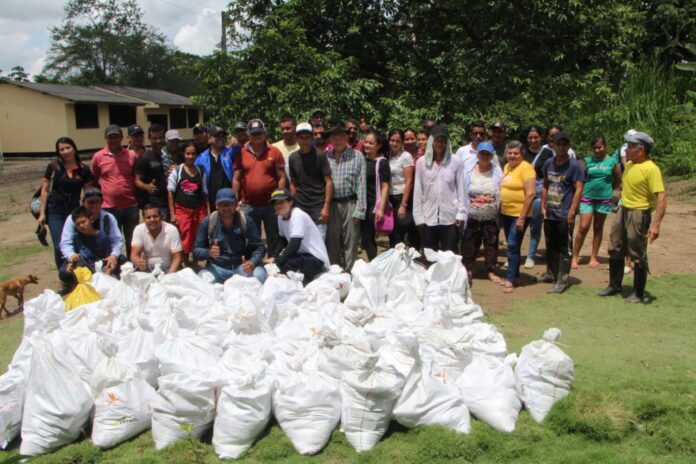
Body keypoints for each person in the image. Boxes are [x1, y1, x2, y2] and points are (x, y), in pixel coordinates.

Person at [600, 131, 666, 303]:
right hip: (623, 209)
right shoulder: (629, 165)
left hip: (639, 212)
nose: (626, 150)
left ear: (641, 149)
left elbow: (661, 196)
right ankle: (614, 285)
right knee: (615, 246)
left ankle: (638, 292)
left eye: (629, 147)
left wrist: (656, 224)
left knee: (637, 252)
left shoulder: (651, 169)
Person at [37, 136, 94, 270]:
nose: (65, 151)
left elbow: (88, 193)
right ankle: (64, 275)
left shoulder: (83, 169)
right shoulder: (53, 166)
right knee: (59, 245)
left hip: (74, 210)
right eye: (61, 149)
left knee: (74, 242)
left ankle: (77, 273)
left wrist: (88, 212)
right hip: (55, 209)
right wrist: (41, 214)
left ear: (74, 148)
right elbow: (44, 190)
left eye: (68, 147)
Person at [540, 132, 585, 293]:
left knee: (564, 247)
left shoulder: (574, 166)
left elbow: (579, 189)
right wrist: (543, 206)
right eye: (558, 144)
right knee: (550, 245)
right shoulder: (548, 163)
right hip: (550, 212)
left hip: (564, 213)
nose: (561, 147)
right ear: (553, 145)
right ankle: (551, 273)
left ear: (568, 146)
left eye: (564, 144)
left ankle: (562, 280)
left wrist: (572, 211)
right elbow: (545, 184)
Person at [234, 119, 286, 257]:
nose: (256, 135)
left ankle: (273, 264)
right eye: (253, 133)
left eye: (259, 132)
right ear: (248, 135)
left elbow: (281, 177)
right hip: (249, 205)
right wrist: (235, 201)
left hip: (271, 205)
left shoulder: (275, 152)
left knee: (274, 237)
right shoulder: (241, 153)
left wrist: (280, 200)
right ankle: (256, 264)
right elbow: (236, 179)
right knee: (252, 238)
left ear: (265, 133)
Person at [193, 188, 266, 283]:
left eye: (230, 204)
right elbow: (196, 250)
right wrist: (209, 252)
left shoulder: (245, 220)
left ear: (236, 205)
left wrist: (252, 262)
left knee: (259, 275)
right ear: (216, 205)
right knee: (201, 280)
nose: (226, 208)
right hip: (217, 268)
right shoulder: (208, 222)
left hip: (241, 267)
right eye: (222, 204)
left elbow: (259, 247)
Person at [571, 135, 621, 269]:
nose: (598, 150)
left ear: (605, 146)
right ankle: (575, 257)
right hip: (587, 198)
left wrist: (610, 189)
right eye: (595, 148)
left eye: (600, 147)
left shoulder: (612, 161)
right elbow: (580, 179)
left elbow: (617, 178)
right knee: (583, 227)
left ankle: (594, 257)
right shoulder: (587, 161)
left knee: (598, 227)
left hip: (604, 199)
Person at [413, 125, 465, 253]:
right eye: (437, 140)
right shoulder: (422, 162)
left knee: (450, 256)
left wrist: (461, 213)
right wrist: (418, 216)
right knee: (430, 256)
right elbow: (418, 191)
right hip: (428, 217)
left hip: (450, 217)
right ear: (431, 141)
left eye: (443, 140)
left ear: (447, 142)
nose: (440, 143)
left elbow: (461, 189)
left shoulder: (455, 161)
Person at [59, 192, 124, 292]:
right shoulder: (73, 218)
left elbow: (117, 241)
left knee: (123, 263)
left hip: (104, 256)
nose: (93, 205)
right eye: (90, 202)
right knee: (65, 272)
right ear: (84, 202)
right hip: (83, 259)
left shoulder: (108, 218)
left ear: (102, 202)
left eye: (96, 202)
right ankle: (73, 287)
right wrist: (71, 257)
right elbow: (65, 243)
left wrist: (113, 256)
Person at [90, 124, 139, 257]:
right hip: (109, 207)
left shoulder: (131, 155)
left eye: (116, 137)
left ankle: (132, 265)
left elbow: (137, 177)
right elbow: (93, 179)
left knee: (132, 240)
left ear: (122, 138)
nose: (113, 140)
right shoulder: (98, 156)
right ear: (106, 138)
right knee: (111, 239)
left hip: (130, 205)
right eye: (110, 137)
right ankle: (113, 266)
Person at [264, 188, 331, 284]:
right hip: (302, 255)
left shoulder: (298, 215)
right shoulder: (280, 216)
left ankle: (304, 286)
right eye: (275, 203)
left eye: (281, 202)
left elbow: (294, 245)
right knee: (280, 265)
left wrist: (276, 263)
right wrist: (274, 257)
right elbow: (282, 241)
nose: (278, 206)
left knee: (286, 265)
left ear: (290, 202)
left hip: (317, 258)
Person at [460, 141, 503, 283]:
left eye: (487, 154)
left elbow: (501, 190)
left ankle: (490, 271)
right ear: (477, 155)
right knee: (469, 243)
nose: (485, 156)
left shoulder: (497, 170)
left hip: (491, 216)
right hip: (471, 215)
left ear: (492, 156)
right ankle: (467, 269)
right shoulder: (468, 170)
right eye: (482, 153)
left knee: (491, 244)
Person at [325, 123, 366, 271]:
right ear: (330, 139)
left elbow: (361, 183)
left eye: (341, 136)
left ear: (347, 137)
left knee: (351, 242)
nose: (338, 140)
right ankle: (334, 273)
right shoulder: (326, 157)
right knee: (332, 241)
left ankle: (350, 273)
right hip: (332, 205)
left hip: (350, 203)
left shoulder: (357, 155)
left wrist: (360, 210)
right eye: (334, 137)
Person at [499, 141, 536, 292]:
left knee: (513, 245)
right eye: (510, 153)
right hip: (506, 213)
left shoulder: (526, 168)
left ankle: (510, 279)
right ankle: (516, 275)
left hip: (519, 214)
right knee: (513, 244)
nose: (512, 156)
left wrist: (522, 217)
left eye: (516, 153)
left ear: (522, 155)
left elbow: (531, 193)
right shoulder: (507, 167)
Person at [288, 122, 333, 239]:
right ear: (296, 138)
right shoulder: (292, 158)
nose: (304, 140)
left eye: (307, 137)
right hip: (300, 206)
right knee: (301, 241)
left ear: (312, 137)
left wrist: (326, 207)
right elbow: (293, 183)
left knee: (319, 243)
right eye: (301, 137)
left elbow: (328, 182)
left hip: (318, 207)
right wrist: (291, 205)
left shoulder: (320, 155)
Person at [168, 142, 210, 266]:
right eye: (188, 154)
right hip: (182, 210)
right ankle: (186, 263)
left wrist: (208, 212)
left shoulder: (200, 171)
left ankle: (196, 263)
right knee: (185, 238)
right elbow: (170, 192)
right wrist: (172, 214)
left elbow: (205, 192)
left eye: (193, 154)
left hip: (199, 210)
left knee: (199, 237)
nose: (190, 156)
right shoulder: (177, 171)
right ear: (183, 154)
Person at [361, 130, 391, 260]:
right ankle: (374, 264)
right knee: (365, 237)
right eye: (365, 142)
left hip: (374, 204)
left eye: (370, 143)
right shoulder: (362, 160)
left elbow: (385, 187)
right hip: (362, 203)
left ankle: (375, 264)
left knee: (368, 237)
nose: (366, 145)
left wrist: (381, 209)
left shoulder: (382, 162)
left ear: (378, 145)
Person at [387, 129, 419, 250]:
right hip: (390, 198)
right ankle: (396, 264)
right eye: (392, 140)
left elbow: (409, 181)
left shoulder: (405, 156)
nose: (394, 144)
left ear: (402, 143)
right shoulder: (387, 155)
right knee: (393, 234)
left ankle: (412, 262)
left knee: (405, 231)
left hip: (402, 197)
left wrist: (403, 205)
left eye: (398, 141)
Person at [130, 205, 183, 274]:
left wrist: (169, 276)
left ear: (161, 217)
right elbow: (133, 255)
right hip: (146, 271)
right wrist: (139, 263)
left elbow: (177, 258)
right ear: (144, 219)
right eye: (148, 217)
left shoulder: (171, 230)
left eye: (155, 216)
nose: (152, 220)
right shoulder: (139, 229)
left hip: (168, 270)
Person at [195, 124, 234, 211]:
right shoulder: (201, 158)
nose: (221, 139)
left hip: (230, 202)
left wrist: (236, 143)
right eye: (217, 136)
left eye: (223, 136)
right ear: (209, 138)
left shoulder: (231, 152)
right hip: (212, 204)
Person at [135, 124, 169, 220]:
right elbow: (137, 181)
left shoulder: (167, 155)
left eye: (160, 138)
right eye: (154, 138)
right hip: (156, 204)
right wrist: (147, 186)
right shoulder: (145, 158)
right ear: (149, 139)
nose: (158, 141)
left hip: (170, 200)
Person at [524, 125, 546, 268]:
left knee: (535, 226)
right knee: (519, 225)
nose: (533, 140)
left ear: (541, 137)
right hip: (523, 192)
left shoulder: (547, 153)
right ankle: (513, 254)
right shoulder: (522, 153)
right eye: (530, 137)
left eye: (536, 137)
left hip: (539, 192)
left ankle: (530, 256)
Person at [272, 115, 299, 179]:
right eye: (282, 129)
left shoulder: (303, 147)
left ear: (295, 128)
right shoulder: (274, 148)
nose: (285, 131)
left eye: (288, 128)